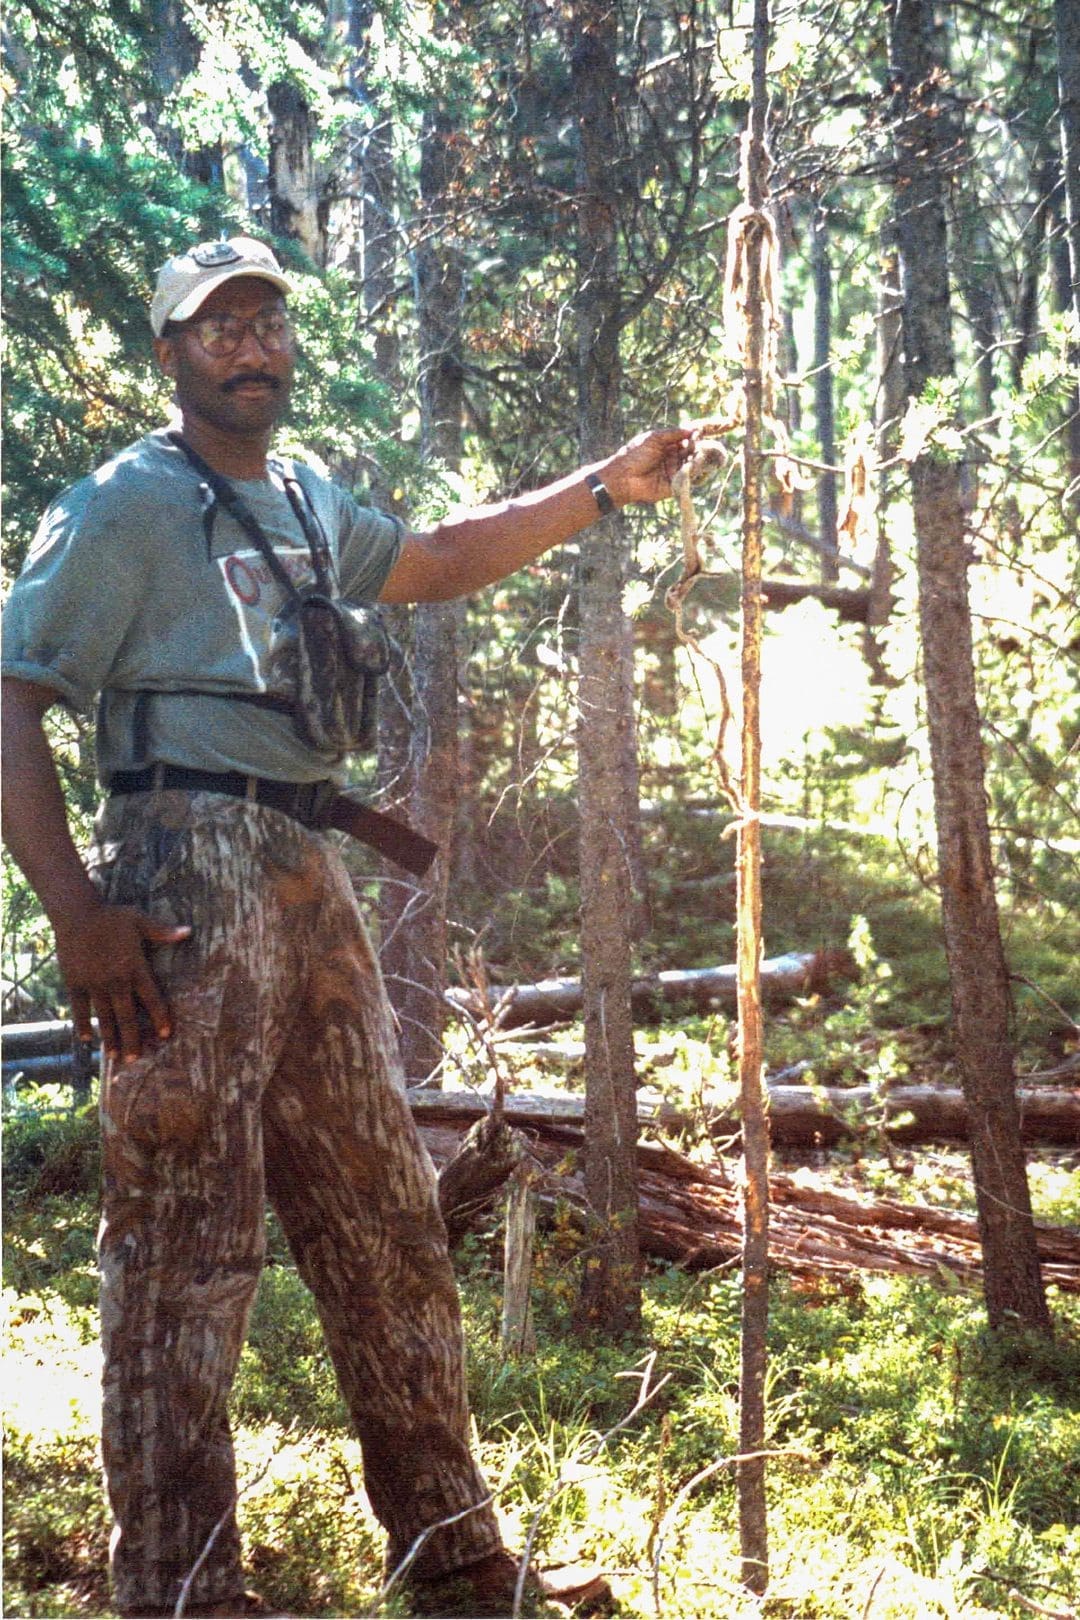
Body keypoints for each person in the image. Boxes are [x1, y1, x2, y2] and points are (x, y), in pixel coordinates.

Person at [1, 235, 691, 1620]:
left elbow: (431, 561)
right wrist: (78, 912)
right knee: (187, 1240)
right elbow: (11, 691)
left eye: (263, 323)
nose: (246, 347)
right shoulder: (127, 506)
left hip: (307, 869)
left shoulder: (309, 498)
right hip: (183, 873)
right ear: (170, 357)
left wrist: (602, 488)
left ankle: (459, 1567)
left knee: (385, 1221)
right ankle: (181, 1592)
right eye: (215, 329)